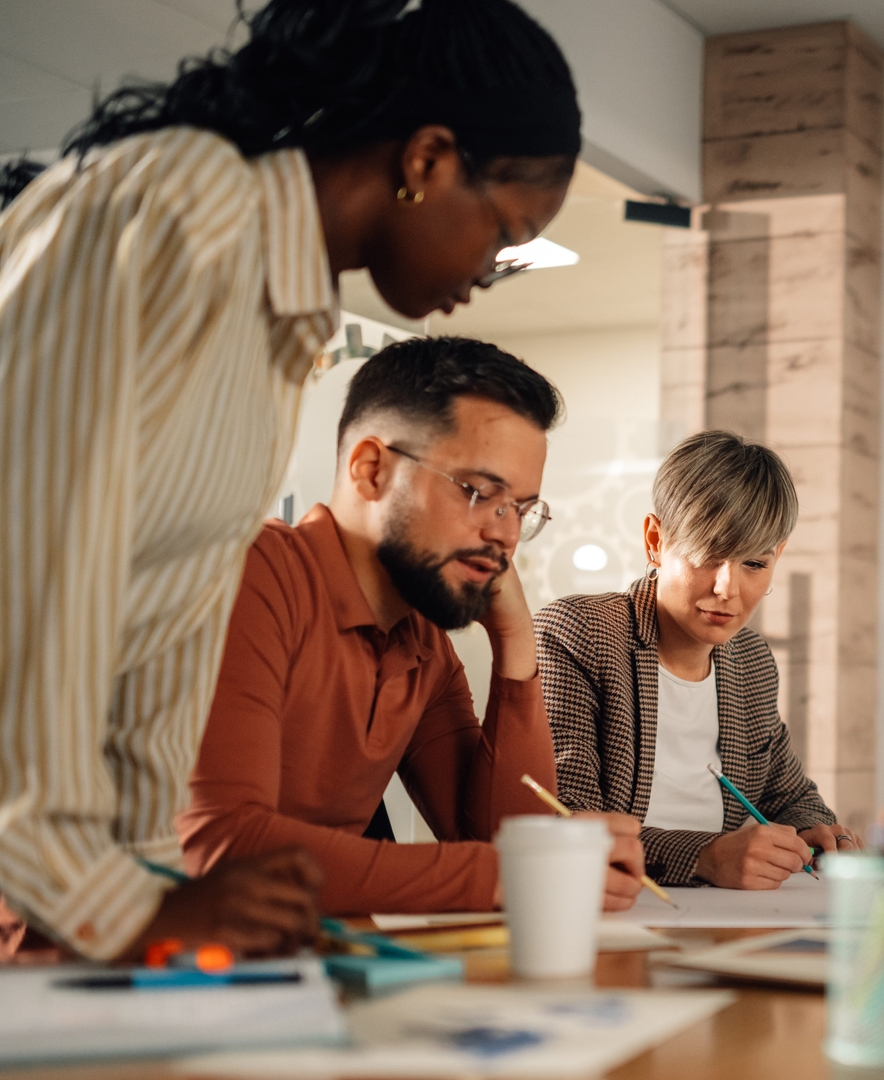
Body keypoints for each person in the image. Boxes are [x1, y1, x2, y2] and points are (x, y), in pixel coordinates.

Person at [0, 0, 582, 959]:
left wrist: (161, 898)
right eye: (501, 232)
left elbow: (153, 656)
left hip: (89, 917)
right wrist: (127, 905)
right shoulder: (179, 209)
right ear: (428, 160)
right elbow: (32, 581)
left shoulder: (281, 320)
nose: (487, 273)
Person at [179, 338, 647, 915]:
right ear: (371, 470)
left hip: (295, 966)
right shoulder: (252, 574)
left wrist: (517, 643)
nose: (504, 534)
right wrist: (517, 873)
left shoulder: (421, 640)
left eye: (521, 510)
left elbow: (498, 842)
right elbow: (222, 848)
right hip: (126, 977)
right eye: (479, 493)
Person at [535, 431, 858, 889]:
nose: (727, 589)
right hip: (604, 906)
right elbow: (565, 817)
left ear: (777, 558)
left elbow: (787, 792)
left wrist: (814, 832)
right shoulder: (580, 633)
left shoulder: (750, 660)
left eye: (754, 564)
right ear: (655, 540)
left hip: (723, 914)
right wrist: (703, 856)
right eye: (707, 554)